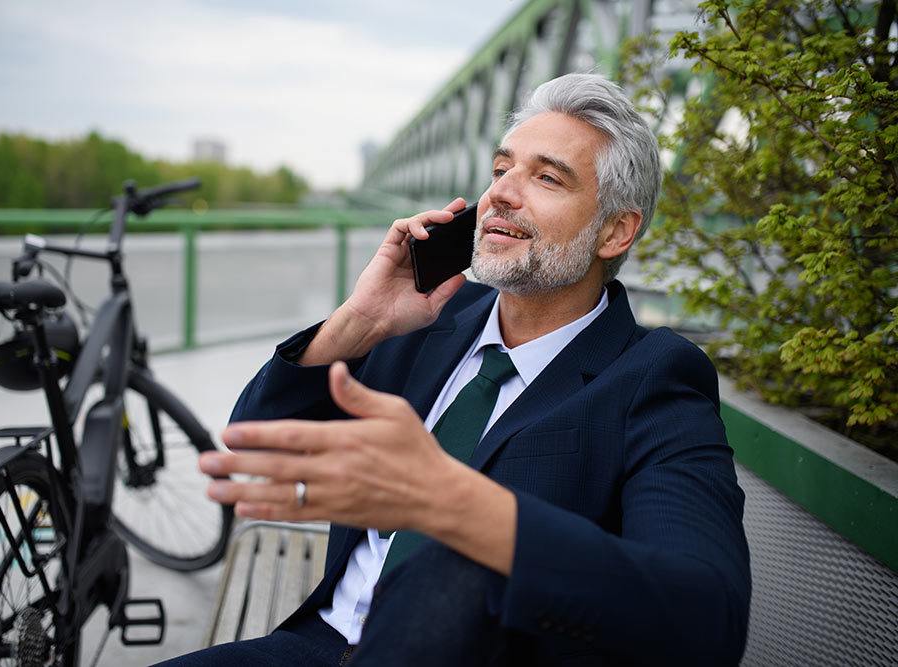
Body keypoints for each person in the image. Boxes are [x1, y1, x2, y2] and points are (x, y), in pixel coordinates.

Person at [159, 73, 751, 666]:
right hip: (314, 647)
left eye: (546, 177)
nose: (502, 194)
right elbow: (251, 448)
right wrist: (358, 323)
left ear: (615, 231)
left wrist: (451, 503)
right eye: (500, 170)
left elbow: (704, 616)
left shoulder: (654, 378)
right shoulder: (429, 318)